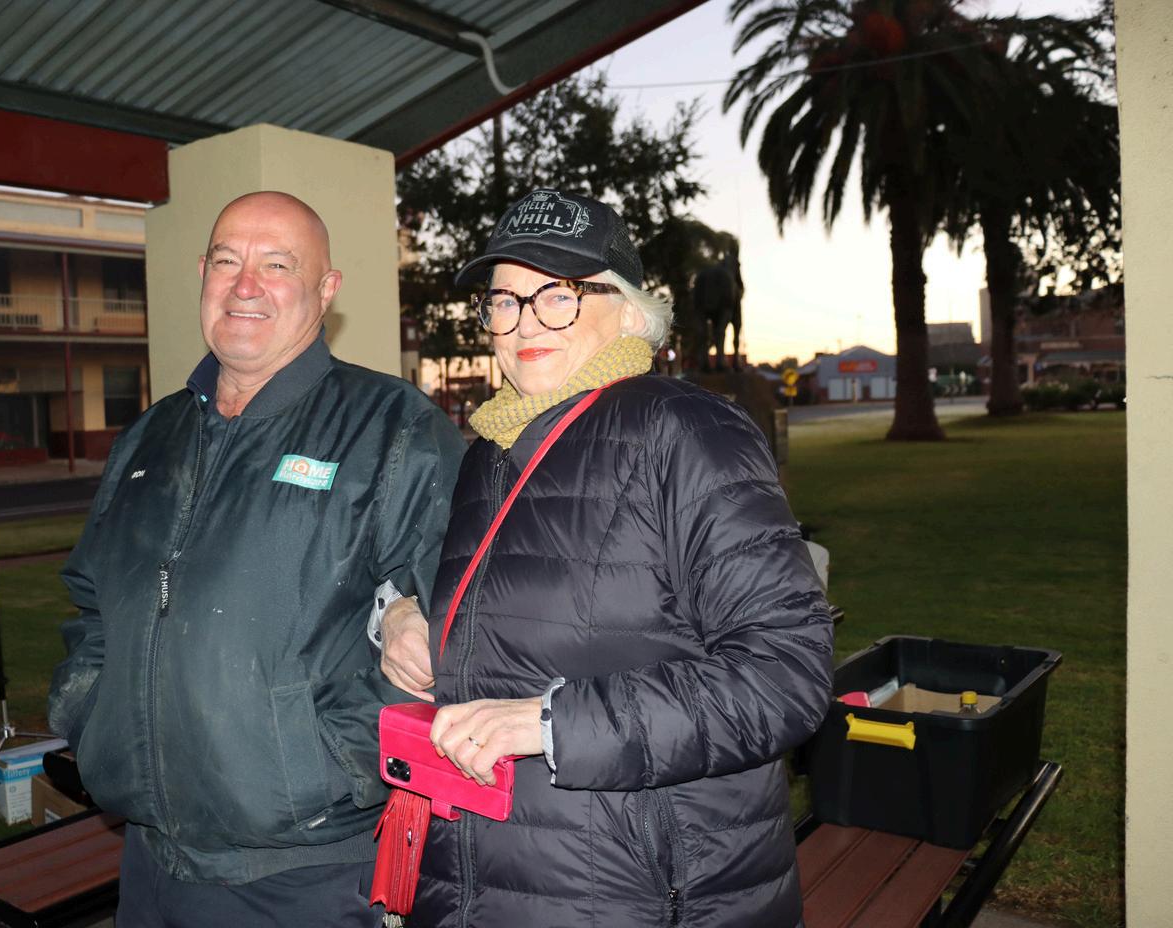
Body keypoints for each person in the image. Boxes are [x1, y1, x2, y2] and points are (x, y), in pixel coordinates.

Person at [380, 188, 834, 927]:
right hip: (479, 888)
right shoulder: (488, 454)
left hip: (639, 898)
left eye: (558, 295)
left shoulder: (684, 430)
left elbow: (785, 673)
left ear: (627, 312)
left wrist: (552, 724)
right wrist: (406, 622)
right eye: (504, 300)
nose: (525, 321)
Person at [48, 191, 467, 928]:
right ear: (202, 273)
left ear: (326, 289)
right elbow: (93, 604)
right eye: (227, 261)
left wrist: (329, 769)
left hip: (303, 874)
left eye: (277, 265)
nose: (245, 285)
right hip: (147, 856)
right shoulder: (150, 436)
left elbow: (447, 626)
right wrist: (90, 717)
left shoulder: (393, 428)